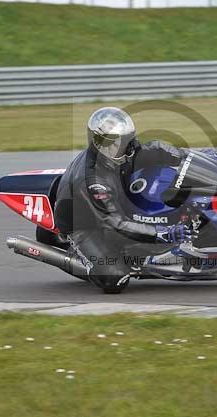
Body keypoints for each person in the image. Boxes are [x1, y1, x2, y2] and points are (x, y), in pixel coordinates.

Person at [53, 107, 197, 293]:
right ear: (98, 143)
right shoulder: (94, 181)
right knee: (116, 279)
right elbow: (115, 223)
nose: (124, 147)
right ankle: (82, 258)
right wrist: (163, 233)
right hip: (83, 224)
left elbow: (151, 149)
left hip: (110, 204)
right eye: (115, 143)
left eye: (125, 141)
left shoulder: (119, 151)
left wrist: (190, 157)